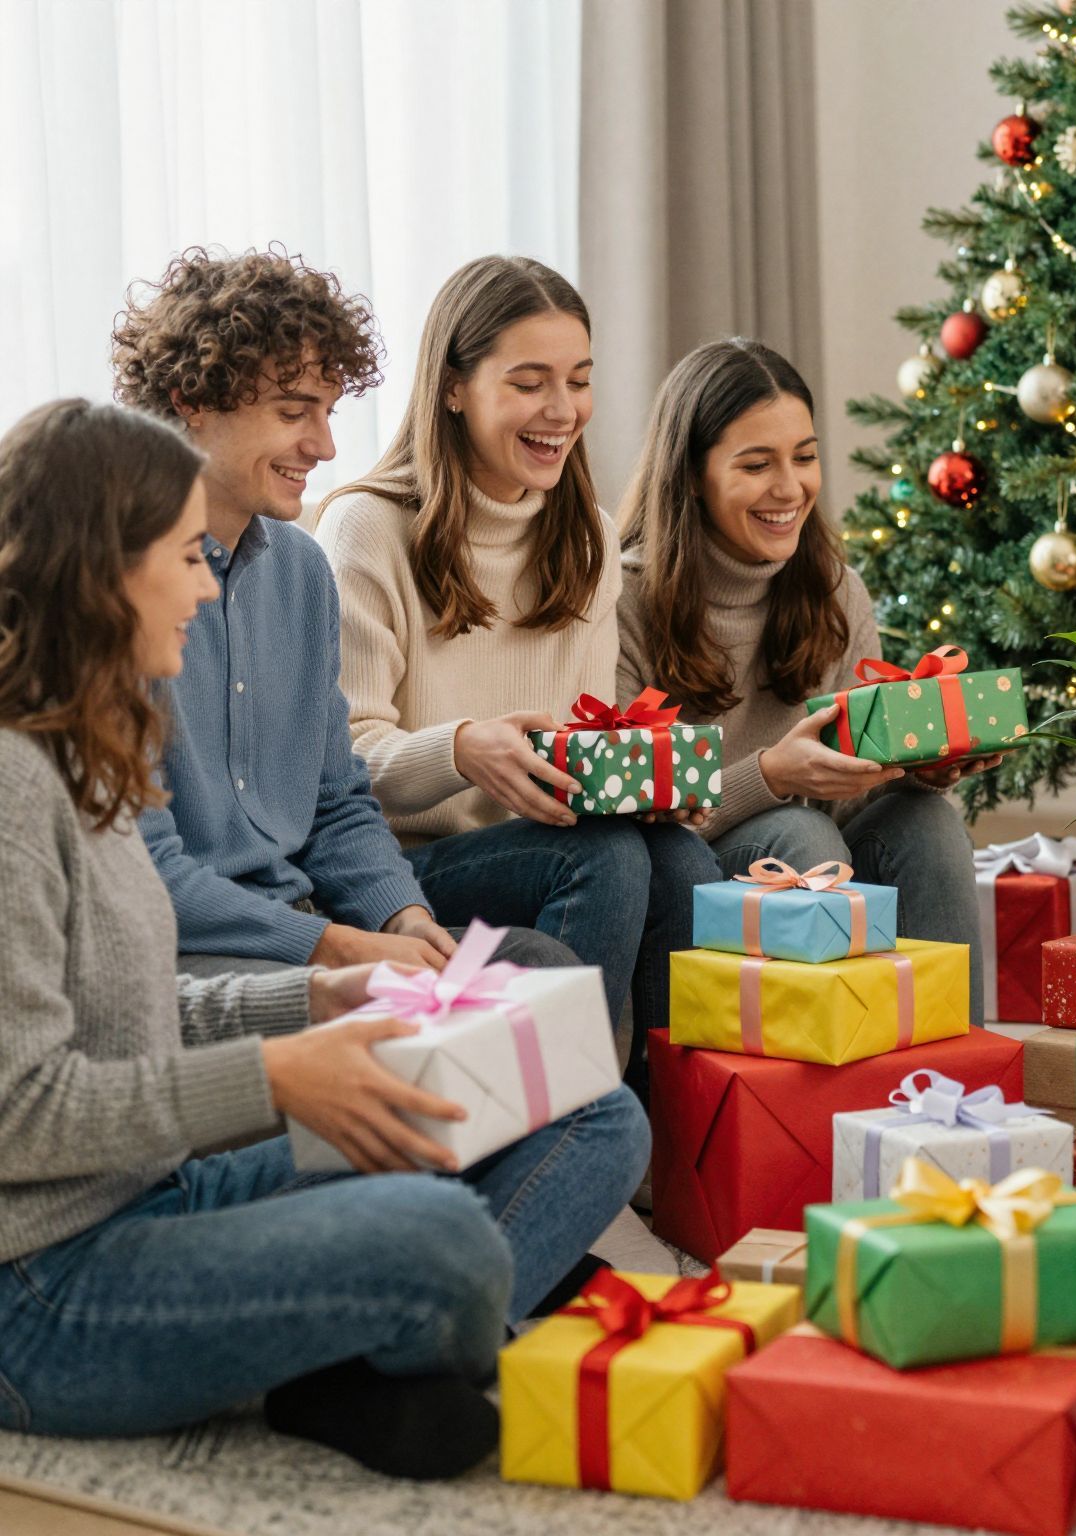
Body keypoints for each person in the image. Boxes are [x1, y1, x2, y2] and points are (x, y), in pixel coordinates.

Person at [0, 400, 648, 1479]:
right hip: (42, 1292)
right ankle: (402, 1330)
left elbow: (131, 1008)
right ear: (100, 573)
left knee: (583, 1102)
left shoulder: (86, 758)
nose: (208, 588)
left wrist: (307, 1005)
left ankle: (354, 1351)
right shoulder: (15, 789)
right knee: (436, 1242)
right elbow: (20, 1114)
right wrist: (277, 1077)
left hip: (153, 1194)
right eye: (181, 557)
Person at [110, 247, 570, 980]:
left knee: (535, 967)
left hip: (313, 925)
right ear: (191, 401)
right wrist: (340, 950)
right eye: (294, 413)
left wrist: (406, 920)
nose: (324, 446)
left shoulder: (300, 572)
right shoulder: (114, 586)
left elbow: (336, 802)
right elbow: (147, 869)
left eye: (326, 412)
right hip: (198, 954)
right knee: (475, 1037)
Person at [317, 257, 719, 1094]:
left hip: (545, 844)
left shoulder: (587, 538)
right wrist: (461, 750)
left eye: (578, 380)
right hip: (408, 867)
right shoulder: (367, 530)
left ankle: (662, 1142)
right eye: (530, 382)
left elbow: (588, 735)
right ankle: (555, 1118)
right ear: (455, 388)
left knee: (675, 855)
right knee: (605, 857)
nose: (563, 410)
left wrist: (646, 782)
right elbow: (340, 766)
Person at [613, 338, 989, 1017]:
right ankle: (813, 1100)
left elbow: (848, 808)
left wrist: (910, 765)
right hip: (690, 869)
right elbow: (626, 816)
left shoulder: (836, 591)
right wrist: (773, 775)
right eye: (756, 465)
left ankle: (958, 1092)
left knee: (926, 822)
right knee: (800, 835)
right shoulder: (622, 599)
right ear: (692, 475)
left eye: (805, 457)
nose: (790, 488)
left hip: (818, 864)